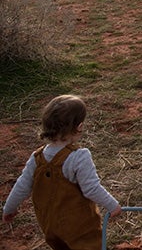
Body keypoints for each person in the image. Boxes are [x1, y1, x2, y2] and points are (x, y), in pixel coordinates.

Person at [3, 94, 122, 250]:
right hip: (79, 228)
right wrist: (112, 205)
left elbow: (22, 186)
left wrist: (9, 208)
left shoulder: (37, 157)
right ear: (79, 127)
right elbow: (91, 188)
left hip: (49, 226)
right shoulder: (79, 157)